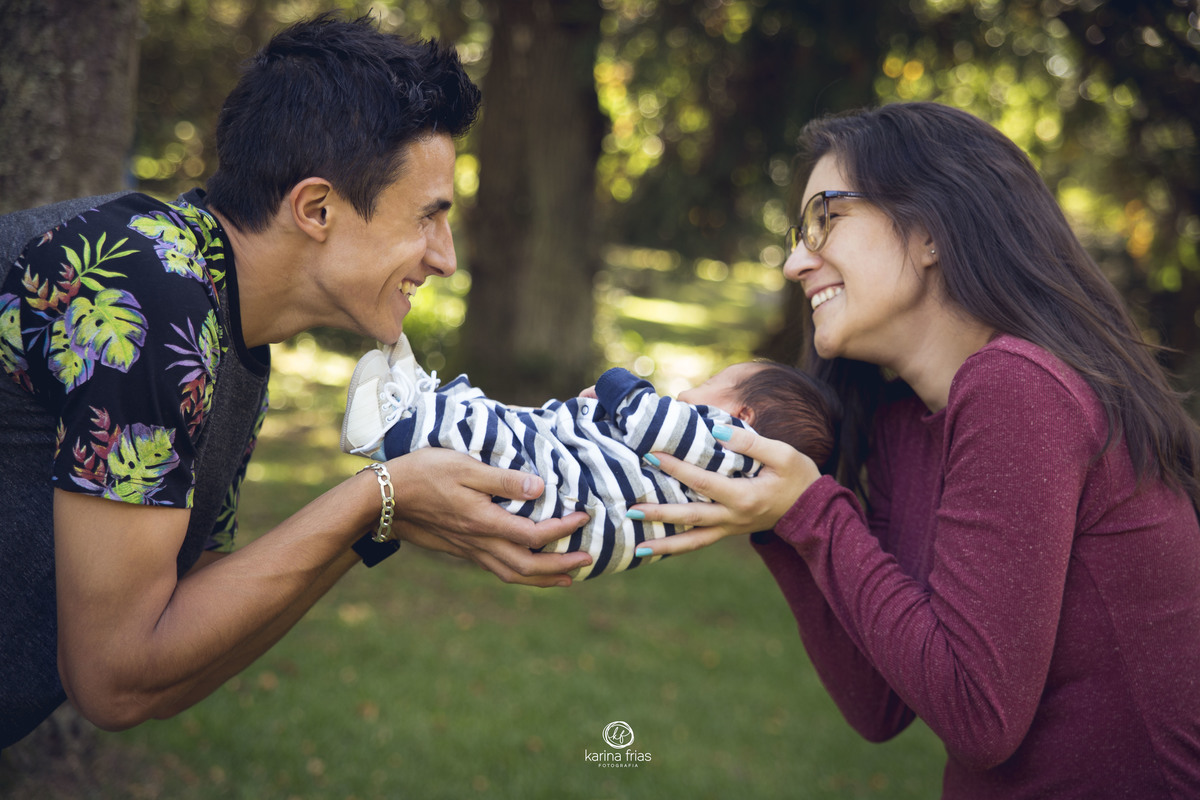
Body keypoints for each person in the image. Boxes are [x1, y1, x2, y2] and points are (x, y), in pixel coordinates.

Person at [0, 13, 593, 750]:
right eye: (428, 218)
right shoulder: (148, 292)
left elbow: (177, 655)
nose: (445, 258)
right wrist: (379, 496)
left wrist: (381, 517)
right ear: (317, 208)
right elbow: (113, 677)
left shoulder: (229, 338)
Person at [628, 102, 1200, 797]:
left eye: (825, 219)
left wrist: (811, 510)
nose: (792, 262)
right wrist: (779, 521)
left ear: (930, 231)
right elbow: (878, 703)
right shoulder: (909, 421)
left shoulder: (1017, 388)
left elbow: (980, 717)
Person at [340, 335, 840, 579]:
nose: (688, 392)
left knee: (502, 440)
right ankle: (418, 405)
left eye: (709, 385)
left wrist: (618, 384)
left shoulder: (725, 443)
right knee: (506, 424)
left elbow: (648, 417)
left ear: (743, 415)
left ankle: (390, 431)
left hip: (561, 497)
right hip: (575, 517)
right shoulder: (728, 483)